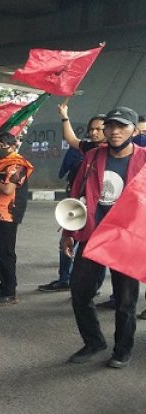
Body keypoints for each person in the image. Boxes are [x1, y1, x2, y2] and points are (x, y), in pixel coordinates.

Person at [64, 106, 145, 368]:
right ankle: (94, 341)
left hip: (128, 239)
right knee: (80, 292)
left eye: (122, 126)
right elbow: (77, 194)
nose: (114, 131)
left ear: (134, 129)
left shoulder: (144, 159)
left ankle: (122, 349)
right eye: (110, 126)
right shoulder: (92, 156)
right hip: (92, 234)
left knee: (125, 300)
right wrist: (68, 233)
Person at [38, 108, 108, 293]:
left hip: (100, 211)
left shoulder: (116, 154)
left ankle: (92, 289)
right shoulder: (89, 149)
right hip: (78, 206)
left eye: (98, 129)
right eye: (91, 129)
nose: (93, 132)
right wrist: (65, 117)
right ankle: (65, 279)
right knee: (67, 242)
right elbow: (71, 139)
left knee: (95, 252)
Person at [0, 133, 34, 306]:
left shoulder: (17, 165)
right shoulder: (0, 165)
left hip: (8, 214)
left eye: (1, 145)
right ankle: (3, 285)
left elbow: (8, 190)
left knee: (6, 253)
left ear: (10, 146)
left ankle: (10, 292)